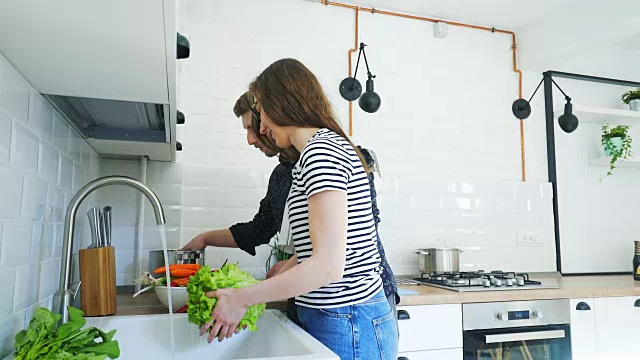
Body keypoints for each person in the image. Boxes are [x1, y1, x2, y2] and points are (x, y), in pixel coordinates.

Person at [200, 58, 398, 360]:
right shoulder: (312, 154)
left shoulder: (320, 151)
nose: (262, 125)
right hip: (338, 317)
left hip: (348, 320)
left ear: (282, 103)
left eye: (262, 112)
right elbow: (335, 244)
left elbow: (329, 266)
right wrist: (292, 265)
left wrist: (241, 298)